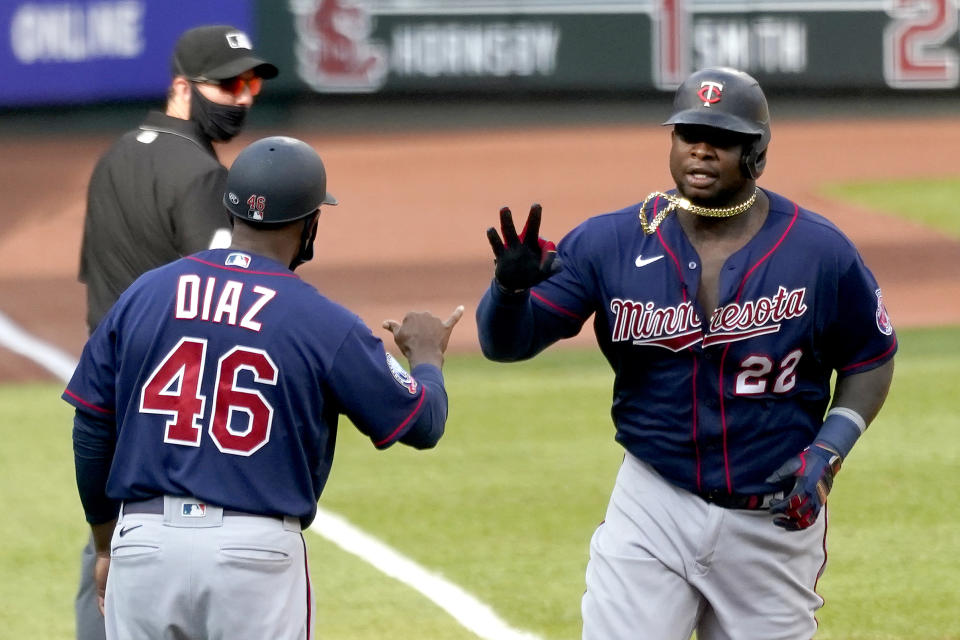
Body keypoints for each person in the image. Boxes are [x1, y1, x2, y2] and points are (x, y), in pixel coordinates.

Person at [476, 67, 896, 639]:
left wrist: (829, 450)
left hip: (771, 516)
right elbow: (507, 344)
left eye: (721, 138)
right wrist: (509, 293)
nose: (700, 148)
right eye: (687, 133)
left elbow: (870, 358)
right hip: (654, 502)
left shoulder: (819, 252)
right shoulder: (611, 242)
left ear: (758, 155)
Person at [64, 135, 464, 639]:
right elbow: (421, 422)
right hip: (252, 555)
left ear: (231, 212)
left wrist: (104, 544)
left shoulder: (145, 293)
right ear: (310, 225)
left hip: (145, 545)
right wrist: (427, 358)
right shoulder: (322, 321)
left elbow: (92, 428)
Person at [73, 24, 278, 639]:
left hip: (108, 392)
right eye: (228, 84)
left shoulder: (116, 155)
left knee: (109, 562)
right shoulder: (200, 175)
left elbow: (95, 281)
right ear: (183, 87)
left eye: (250, 85)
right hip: (171, 409)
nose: (242, 98)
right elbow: (223, 296)